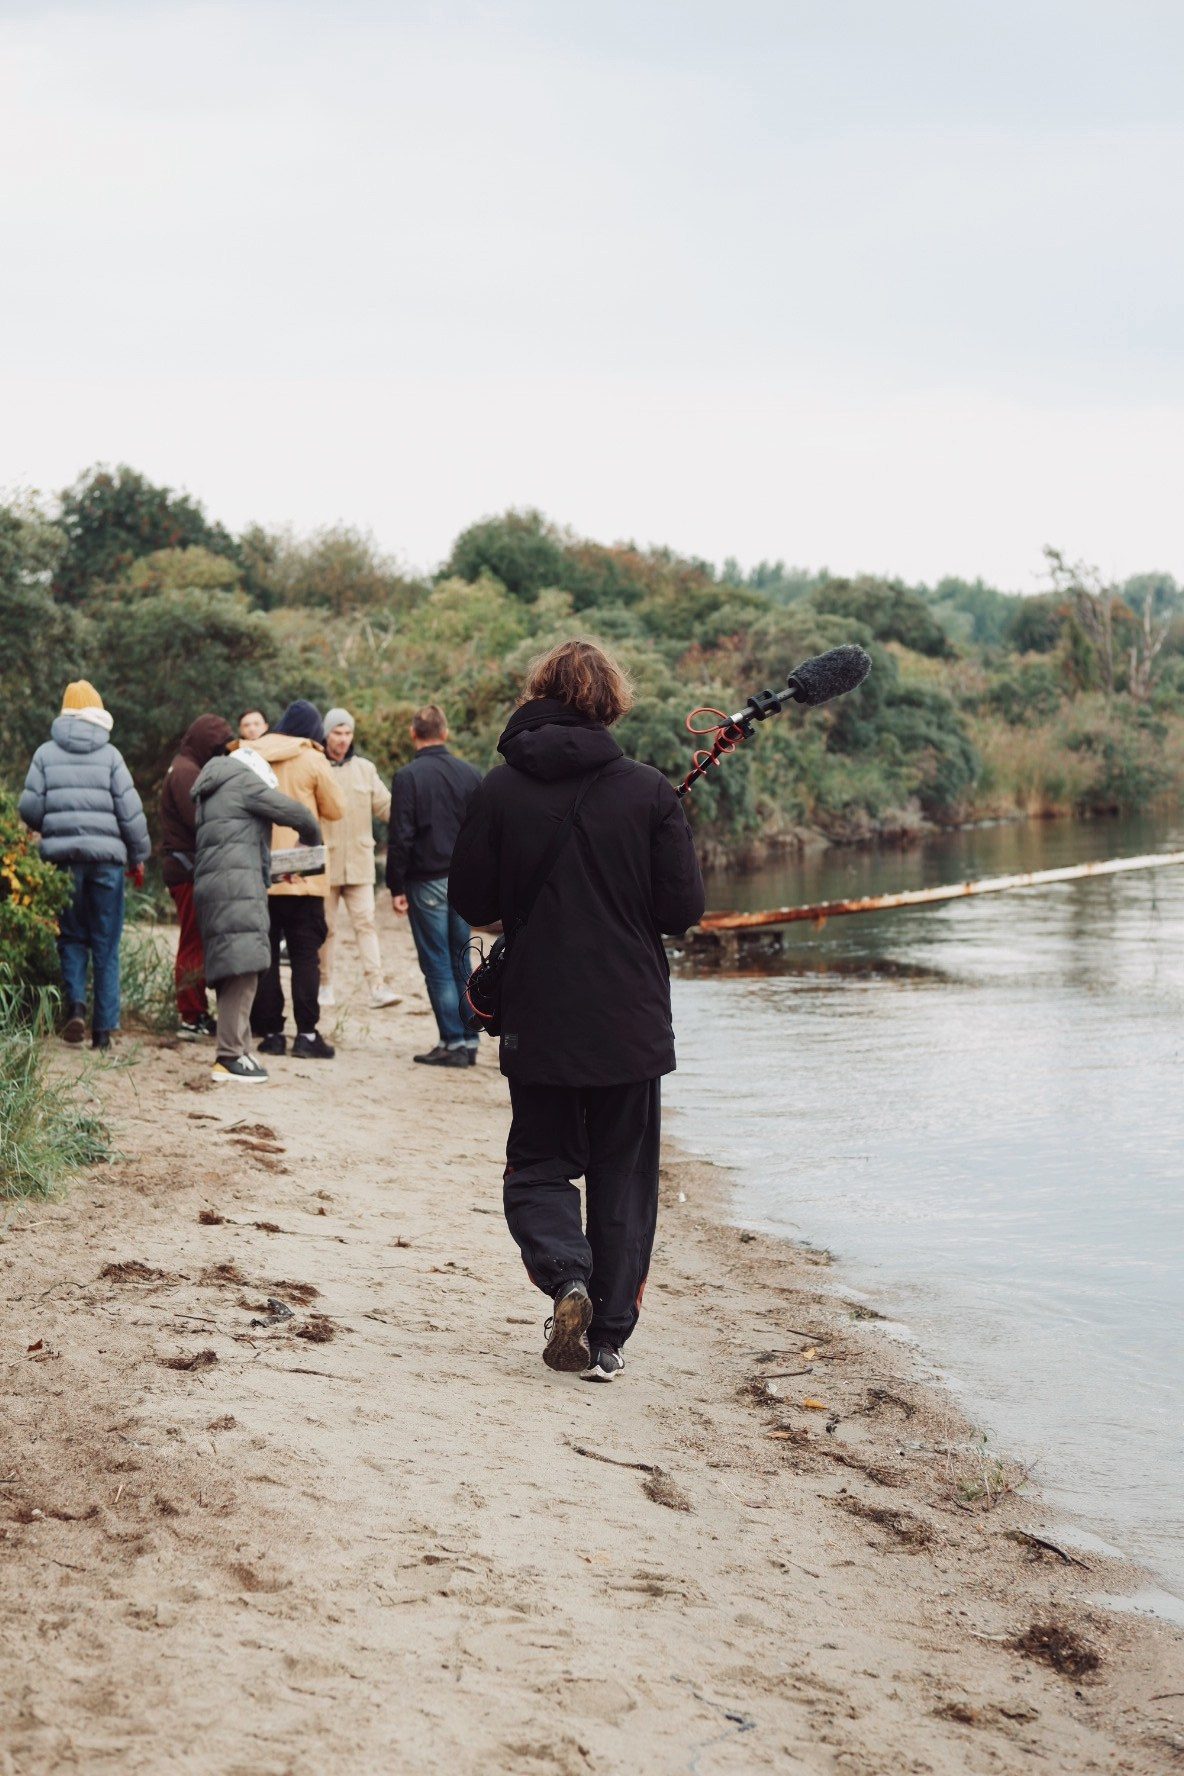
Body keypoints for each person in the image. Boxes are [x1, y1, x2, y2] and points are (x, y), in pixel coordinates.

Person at [449, 640, 704, 1382]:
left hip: (540, 1011)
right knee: (623, 1177)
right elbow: (681, 909)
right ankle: (608, 1340)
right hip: (630, 1016)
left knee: (539, 1165)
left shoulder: (500, 788)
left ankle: (567, 1279)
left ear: (541, 695)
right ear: (612, 702)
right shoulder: (650, 792)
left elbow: (474, 901)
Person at [18, 680, 151, 1050]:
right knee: (106, 944)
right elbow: (130, 813)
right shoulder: (111, 756)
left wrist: (49, 826)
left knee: (72, 936)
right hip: (107, 862)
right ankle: (103, 1033)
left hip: (62, 862)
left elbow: (30, 809)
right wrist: (138, 856)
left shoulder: (45, 753)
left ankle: (76, 1006)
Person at [191, 742, 322, 1083]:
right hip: (237, 891)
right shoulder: (244, 782)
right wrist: (309, 841)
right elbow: (300, 815)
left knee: (230, 968)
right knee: (245, 968)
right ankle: (229, 1057)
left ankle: (239, 1049)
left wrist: (271, 869)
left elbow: (233, 845)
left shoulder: (211, 790)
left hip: (213, 889)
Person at [386, 705, 483, 1068]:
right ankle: (470, 1038)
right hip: (462, 878)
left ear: (414, 734)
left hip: (425, 879)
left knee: (438, 962)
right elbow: (480, 831)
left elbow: (401, 837)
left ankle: (453, 1042)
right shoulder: (469, 773)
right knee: (463, 958)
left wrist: (395, 885)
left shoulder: (407, 777)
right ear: (445, 733)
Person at [248, 701, 345, 1060]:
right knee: (306, 956)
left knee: (267, 955)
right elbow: (336, 809)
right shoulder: (312, 758)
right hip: (303, 870)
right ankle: (306, 1035)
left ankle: (271, 1032)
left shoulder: (254, 754)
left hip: (260, 867)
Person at [319, 707, 400, 1010]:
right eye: (337, 733)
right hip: (324, 864)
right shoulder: (316, 766)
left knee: (366, 924)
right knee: (325, 927)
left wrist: (416, 816)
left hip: (359, 862)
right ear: (327, 733)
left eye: (347, 733)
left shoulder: (365, 768)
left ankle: (376, 986)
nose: (342, 739)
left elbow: (387, 807)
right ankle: (325, 984)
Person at [159, 713, 234, 1037]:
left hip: (186, 867)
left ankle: (196, 1013)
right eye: (218, 747)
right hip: (187, 869)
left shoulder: (185, 766)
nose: (221, 754)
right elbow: (200, 821)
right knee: (193, 944)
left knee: (196, 942)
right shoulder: (187, 773)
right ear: (206, 743)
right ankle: (191, 1016)